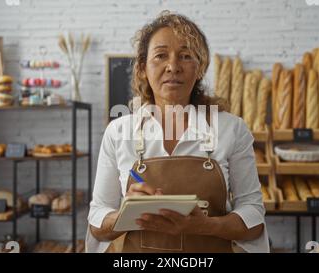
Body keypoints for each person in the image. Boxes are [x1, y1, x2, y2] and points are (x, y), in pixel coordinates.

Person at [87, 11, 269, 253]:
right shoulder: (118, 132)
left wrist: (205, 226)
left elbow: (254, 216)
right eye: (161, 56)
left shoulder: (231, 129)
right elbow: (97, 223)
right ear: (142, 68)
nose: (173, 66)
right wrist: (125, 214)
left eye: (185, 56)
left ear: (200, 67)